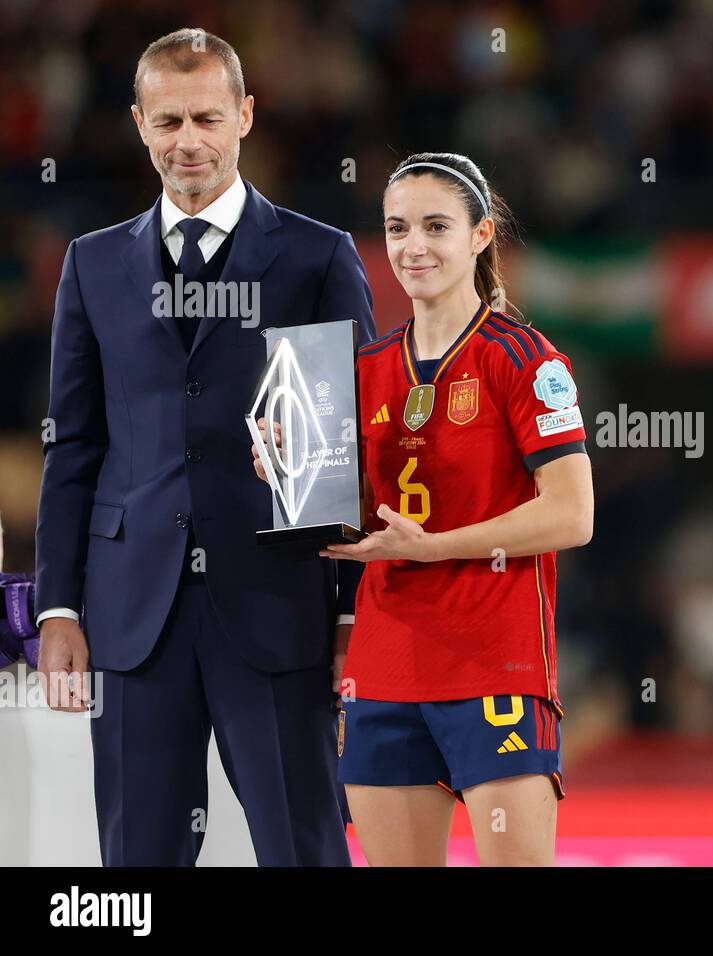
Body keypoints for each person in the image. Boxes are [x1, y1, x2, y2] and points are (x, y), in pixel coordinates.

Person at [35, 28, 374, 866]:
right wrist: (58, 606)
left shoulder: (318, 254)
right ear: (140, 124)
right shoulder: (92, 264)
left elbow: (351, 444)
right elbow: (72, 445)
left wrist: (350, 611)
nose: (189, 140)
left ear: (246, 117)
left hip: (278, 609)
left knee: (304, 847)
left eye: (208, 118)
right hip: (129, 615)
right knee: (137, 859)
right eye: (170, 120)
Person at [254, 152, 593, 866]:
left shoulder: (526, 361)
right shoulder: (360, 370)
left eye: (436, 226)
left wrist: (435, 545)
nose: (414, 246)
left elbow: (572, 516)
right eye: (397, 227)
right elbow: (351, 519)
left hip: (494, 665)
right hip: (384, 669)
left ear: (480, 235)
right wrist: (293, 476)